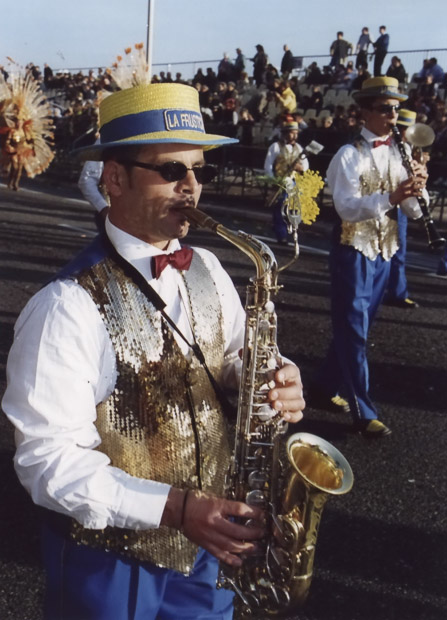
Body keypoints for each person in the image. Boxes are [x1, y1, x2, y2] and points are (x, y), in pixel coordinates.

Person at [2, 82, 305, 620]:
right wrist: (175, 508)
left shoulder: (209, 267)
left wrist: (273, 378)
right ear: (114, 178)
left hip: (212, 542)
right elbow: (48, 461)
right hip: (109, 558)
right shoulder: (65, 307)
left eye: (200, 171)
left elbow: (234, 357)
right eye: (171, 170)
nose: (192, 188)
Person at [309, 77, 426, 438]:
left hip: (384, 251)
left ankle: (323, 387)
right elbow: (345, 208)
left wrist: (418, 188)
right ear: (365, 112)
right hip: (353, 251)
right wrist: (392, 197)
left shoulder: (398, 152)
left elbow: (413, 212)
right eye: (385, 109)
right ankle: (364, 410)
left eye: (396, 109)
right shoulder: (348, 155)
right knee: (355, 331)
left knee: (356, 328)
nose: (393, 116)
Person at [384, 108, 422, 309]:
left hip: (401, 204)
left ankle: (398, 293)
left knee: (399, 250)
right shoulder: (389, 145)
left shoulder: (408, 148)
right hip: (386, 200)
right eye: (405, 128)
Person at [264, 117, 309, 243]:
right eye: (292, 133)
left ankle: (292, 232)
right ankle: (281, 234)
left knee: (294, 208)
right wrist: (274, 180)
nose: (294, 136)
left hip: (294, 183)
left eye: (296, 133)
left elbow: (306, 165)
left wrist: (301, 168)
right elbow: (268, 165)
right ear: (285, 133)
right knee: (281, 208)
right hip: (281, 182)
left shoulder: (299, 148)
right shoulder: (275, 147)